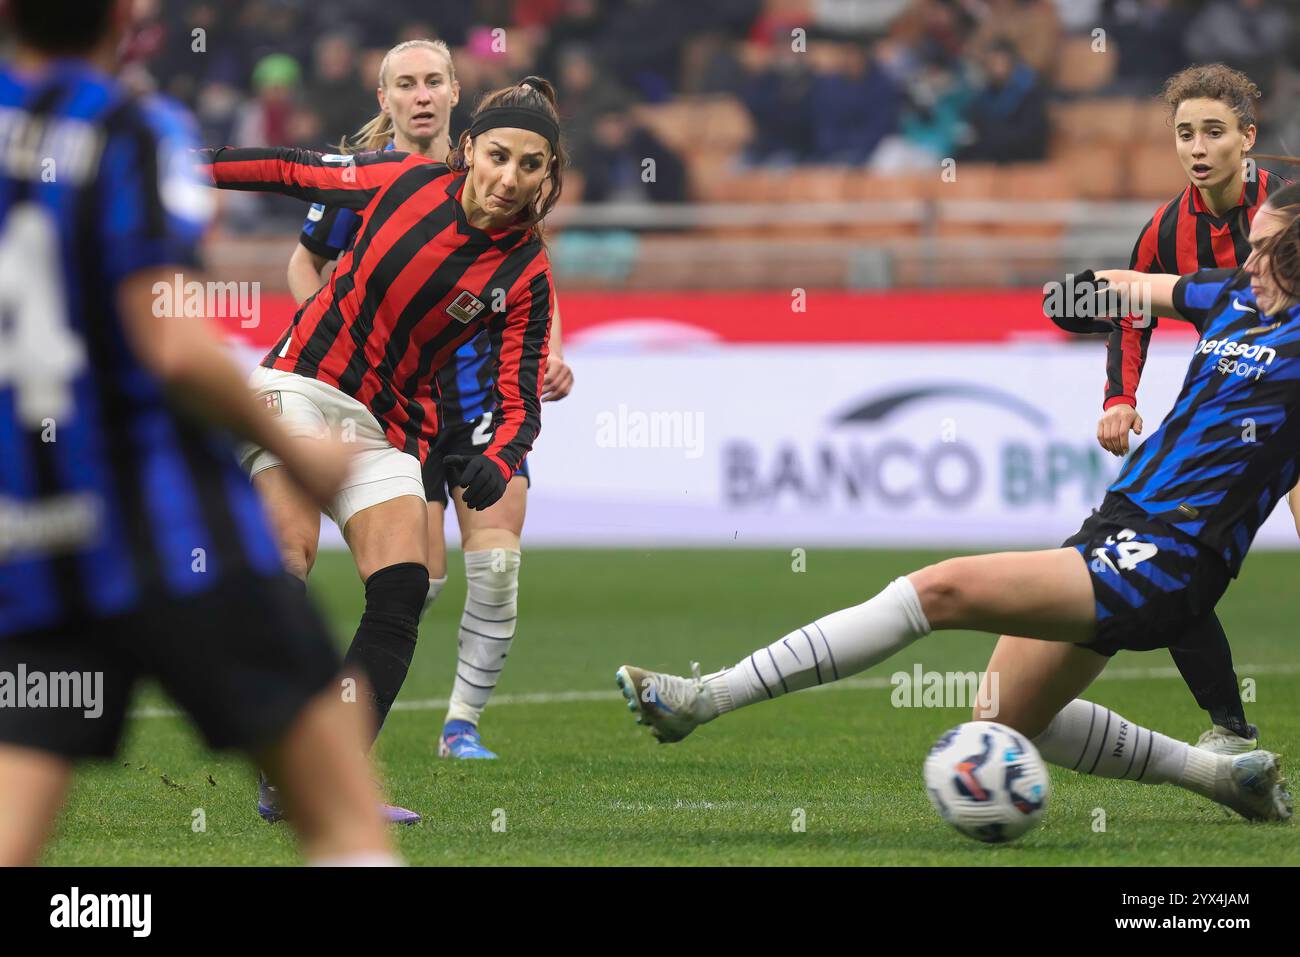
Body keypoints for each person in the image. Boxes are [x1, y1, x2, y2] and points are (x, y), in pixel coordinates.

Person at [615, 183, 1300, 825]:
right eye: (1253, 243)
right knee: (1001, 719)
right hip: (1117, 526)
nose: (1250, 261)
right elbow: (1144, 290)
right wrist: (1088, 293)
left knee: (937, 590)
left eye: (1270, 250)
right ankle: (1220, 777)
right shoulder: (1232, 294)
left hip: (1176, 555)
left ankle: (701, 700)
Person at [0, 0, 398, 865]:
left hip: (35, 540)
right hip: (172, 528)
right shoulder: (129, 127)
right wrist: (299, 451)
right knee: (340, 818)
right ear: (125, 17)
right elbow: (174, 344)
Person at [198, 75, 564, 815]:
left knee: (400, 588)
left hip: (386, 427)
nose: (509, 178)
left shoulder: (526, 274)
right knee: (288, 556)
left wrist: (497, 460)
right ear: (468, 149)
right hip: (300, 384)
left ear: (549, 177)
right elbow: (293, 169)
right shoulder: (402, 179)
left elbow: (519, 389)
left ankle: (319, 778)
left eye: (531, 165)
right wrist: (184, 162)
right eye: (498, 155)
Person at [286, 42, 574, 761]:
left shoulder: (500, 168)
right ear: (384, 98)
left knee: (499, 564)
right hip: (389, 400)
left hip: (476, 395)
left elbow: (531, 283)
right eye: (406, 84)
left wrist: (552, 353)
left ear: (455, 96)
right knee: (416, 579)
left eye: (435, 81)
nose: (421, 95)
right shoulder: (367, 179)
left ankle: (461, 725)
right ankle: (332, 710)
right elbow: (307, 260)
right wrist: (340, 347)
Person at [1094, 64, 1287, 754]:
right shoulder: (1165, 230)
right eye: (1184, 134)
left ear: (1248, 137)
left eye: (1212, 131)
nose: (1197, 148)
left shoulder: (1289, 211)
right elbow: (1129, 311)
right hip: (1227, 413)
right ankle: (1232, 731)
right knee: (1167, 554)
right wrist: (1120, 398)